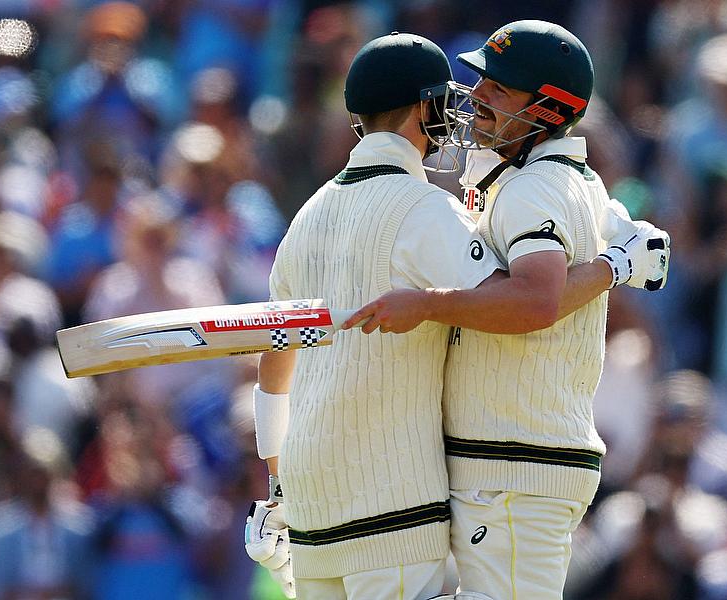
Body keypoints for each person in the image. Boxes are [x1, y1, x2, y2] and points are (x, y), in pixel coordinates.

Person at [244, 31, 668, 600]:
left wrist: (276, 480)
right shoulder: (427, 210)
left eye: (496, 87)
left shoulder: (307, 215)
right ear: (427, 107)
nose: (474, 99)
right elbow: (524, 295)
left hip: (314, 503)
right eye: (466, 89)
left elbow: (276, 360)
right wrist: (615, 262)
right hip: (396, 504)